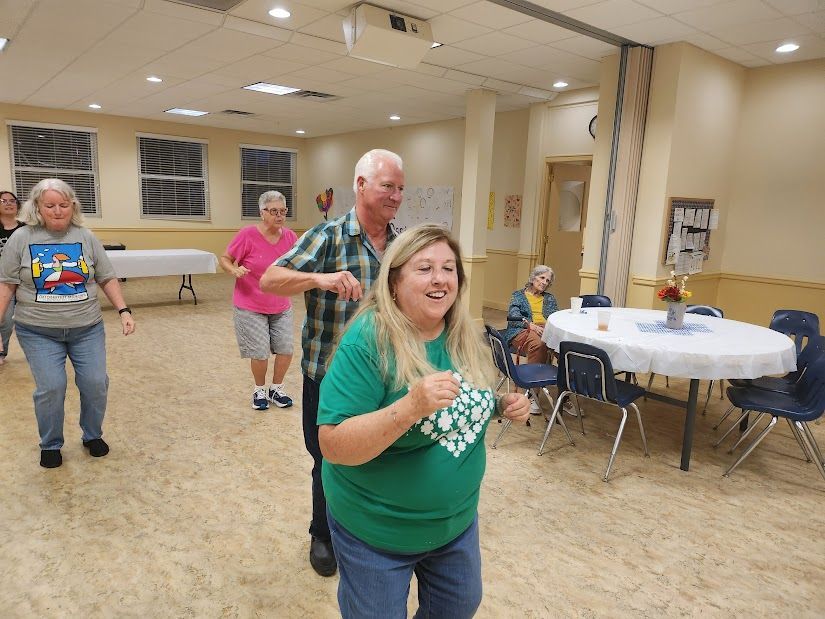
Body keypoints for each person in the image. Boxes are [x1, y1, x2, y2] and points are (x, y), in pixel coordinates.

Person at [317, 224, 530, 618]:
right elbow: (333, 444)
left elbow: (465, 397)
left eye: (449, 269)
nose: (440, 279)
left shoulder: (461, 331)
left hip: (455, 525)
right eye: (425, 268)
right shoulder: (369, 340)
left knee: (459, 604)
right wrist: (409, 407)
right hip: (377, 531)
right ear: (394, 281)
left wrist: (500, 404)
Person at [260, 148, 403, 577]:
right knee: (328, 458)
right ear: (361, 186)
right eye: (387, 186)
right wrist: (319, 278)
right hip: (331, 376)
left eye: (400, 188)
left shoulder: (403, 244)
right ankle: (322, 532)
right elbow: (270, 278)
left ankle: (373, 528)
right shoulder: (329, 236)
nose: (395, 195)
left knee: (385, 453)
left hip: (388, 375)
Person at [0, 179, 135, 468]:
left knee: (96, 383)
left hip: (86, 327)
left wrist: (123, 310)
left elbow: (106, 276)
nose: (58, 211)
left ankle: (92, 435)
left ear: (72, 206)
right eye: (50, 206)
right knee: (51, 387)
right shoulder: (21, 238)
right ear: (37, 207)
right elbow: (6, 285)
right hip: (37, 330)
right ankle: (50, 444)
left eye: (64, 205)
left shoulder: (85, 236)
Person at [219, 191, 297, 410]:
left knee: (286, 349)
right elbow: (225, 259)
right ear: (262, 213)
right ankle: (260, 390)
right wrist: (234, 270)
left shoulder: (290, 237)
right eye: (274, 211)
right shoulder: (247, 235)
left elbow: (299, 262)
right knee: (260, 352)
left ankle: (276, 388)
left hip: (280, 304)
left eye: (283, 211)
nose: (279, 216)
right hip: (250, 304)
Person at [503, 265, 559, 414]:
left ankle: (564, 397)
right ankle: (532, 394)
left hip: (546, 328)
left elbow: (555, 316)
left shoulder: (549, 298)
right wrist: (531, 325)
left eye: (547, 280)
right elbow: (514, 316)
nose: (544, 282)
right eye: (541, 278)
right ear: (533, 277)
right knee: (539, 345)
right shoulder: (518, 296)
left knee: (566, 349)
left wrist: (549, 327)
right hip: (522, 329)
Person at [0, 190, 25, 365]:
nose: (9, 203)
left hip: (23, 281)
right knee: (5, 320)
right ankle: (2, 352)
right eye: (3, 201)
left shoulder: (25, 228)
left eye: (12, 201)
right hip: (2, 282)